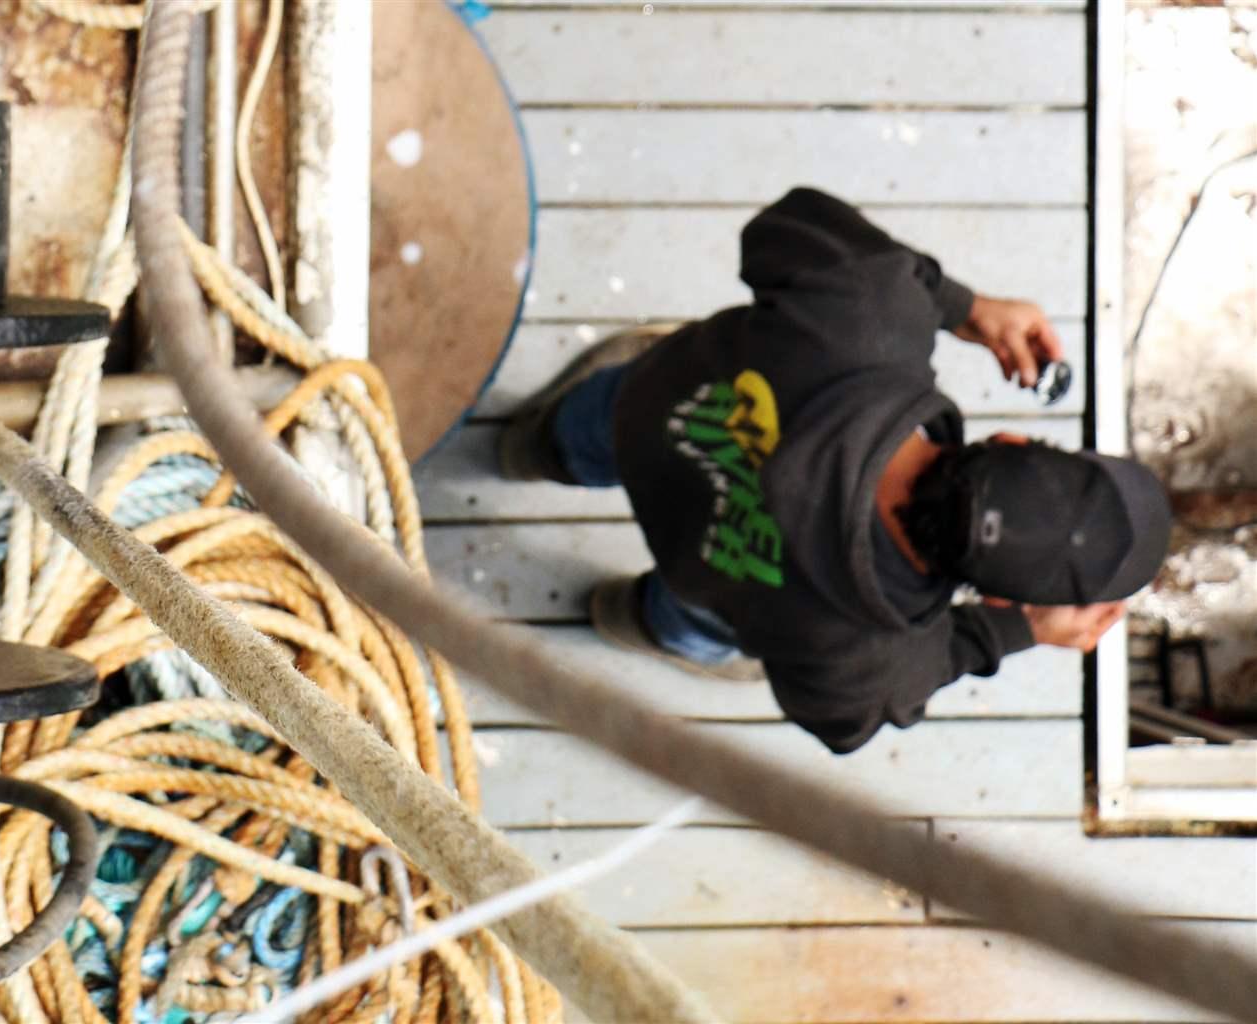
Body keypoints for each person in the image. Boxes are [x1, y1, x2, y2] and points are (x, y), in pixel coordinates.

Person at [497, 187, 1171, 755]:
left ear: (1013, 439)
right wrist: (1021, 631)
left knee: (598, 420)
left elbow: (785, 226)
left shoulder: (870, 311)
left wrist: (959, 306)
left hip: (646, 416)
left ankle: (533, 449)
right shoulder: (866, 659)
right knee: (701, 623)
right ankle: (630, 617)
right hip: (708, 576)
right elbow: (841, 720)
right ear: (994, 595)